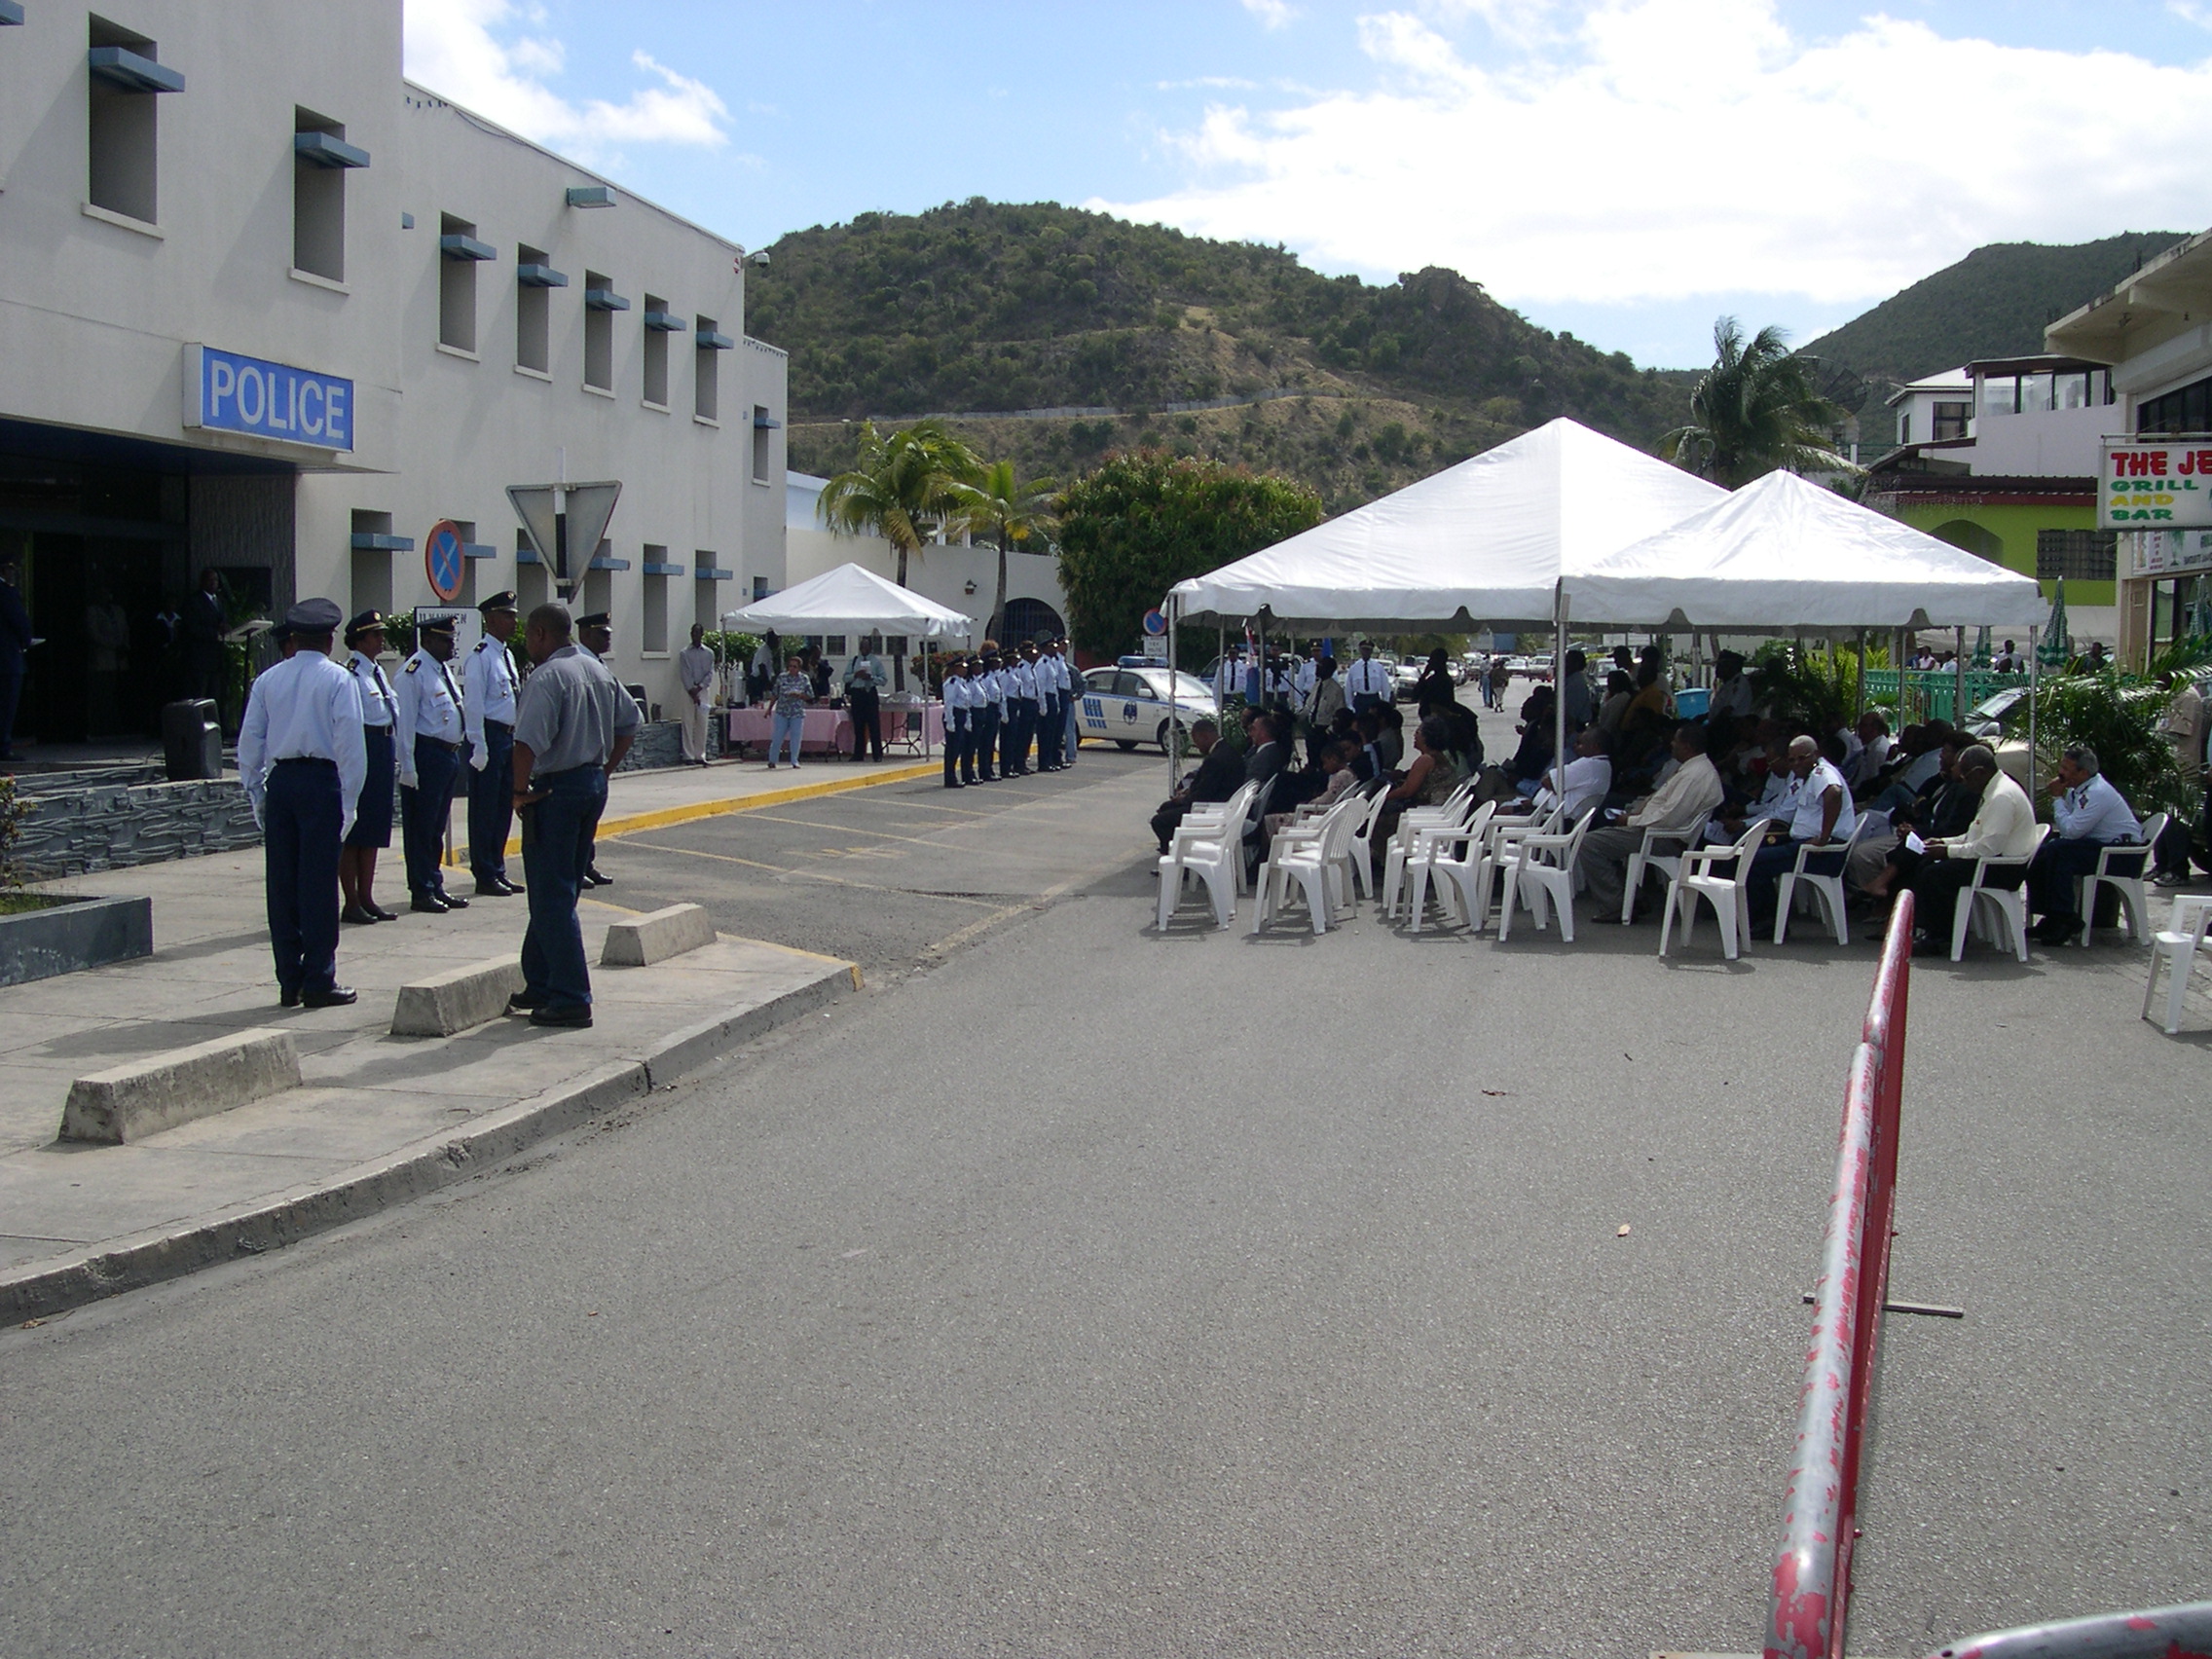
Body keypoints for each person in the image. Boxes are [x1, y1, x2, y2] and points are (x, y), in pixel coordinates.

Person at [506, 602, 640, 1029]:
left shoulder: (547, 677)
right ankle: (541, 981)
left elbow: (525, 744)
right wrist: (603, 771)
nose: (527, 644)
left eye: (528, 636)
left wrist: (517, 792)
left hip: (555, 790)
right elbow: (629, 724)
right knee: (558, 890)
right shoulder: (596, 669)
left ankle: (570, 997)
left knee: (551, 895)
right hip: (589, 786)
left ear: (542, 634)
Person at [236, 599, 366, 1009]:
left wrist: (256, 792)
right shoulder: (338, 680)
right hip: (321, 782)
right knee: (318, 884)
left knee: (283, 885)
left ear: (292, 639)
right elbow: (350, 745)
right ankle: (319, 980)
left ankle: (288, 980)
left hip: (283, 783)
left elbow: (250, 742)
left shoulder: (268, 680)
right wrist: (350, 801)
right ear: (330, 640)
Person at [1581, 721, 1726, 918]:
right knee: (1600, 837)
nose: (1672, 744)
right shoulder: (1693, 769)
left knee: (1589, 843)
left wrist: (1630, 821)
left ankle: (1615, 906)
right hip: (1655, 831)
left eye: (1676, 741)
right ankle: (1631, 897)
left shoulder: (1695, 775)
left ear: (1688, 747)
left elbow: (1668, 817)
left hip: (1663, 837)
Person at [1908, 746, 2037, 954]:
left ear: (1979, 772)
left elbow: (1988, 848)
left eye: (1965, 778)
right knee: (1926, 863)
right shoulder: (1992, 791)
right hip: (1992, 861)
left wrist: (1947, 852)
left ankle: (1941, 937)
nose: (1964, 784)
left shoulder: (2001, 797)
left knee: (1935, 875)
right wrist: (1944, 843)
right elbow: (1973, 836)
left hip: (2003, 868)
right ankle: (1931, 931)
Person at [2027, 744, 2141, 945]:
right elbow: (2070, 828)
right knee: (2040, 853)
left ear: (2083, 773)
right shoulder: (2076, 790)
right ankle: (2051, 916)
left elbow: (2071, 831)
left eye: (2066, 769)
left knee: (2059, 850)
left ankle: (2065, 917)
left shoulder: (2097, 792)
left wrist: (2056, 798)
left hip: (2121, 854)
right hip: (2099, 847)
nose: (2061, 773)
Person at [394, 613, 469, 914]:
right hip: (426, 756)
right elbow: (405, 724)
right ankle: (421, 890)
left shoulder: (440, 670)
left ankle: (435, 883)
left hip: (447, 755)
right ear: (427, 640)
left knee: (437, 827)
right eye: (445, 640)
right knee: (421, 829)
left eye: (452, 640)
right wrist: (408, 767)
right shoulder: (413, 673)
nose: (451, 645)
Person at [1747, 734, 1858, 930]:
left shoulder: (1822, 772)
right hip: (1805, 844)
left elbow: (1834, 793)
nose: (1796, 763)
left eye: (1802, 757)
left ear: (1815, 755)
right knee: (1754, 849)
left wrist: (1823, 838)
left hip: (1822, 852)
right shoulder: (1809, 777)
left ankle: (1767, 923)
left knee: (1755, 861)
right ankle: (1760, 919)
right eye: (1791, 760)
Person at [339, 609, 399, 926]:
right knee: (356, 830)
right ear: (360, 640)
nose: (381, 639)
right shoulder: (351, 674)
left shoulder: (377, 671)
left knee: (375, 827)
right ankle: (351, 900)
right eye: (375, 635)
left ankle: (367, 897)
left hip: (383, 746)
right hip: (364, 746)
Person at [462, 591, 524, 899]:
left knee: (503, 807)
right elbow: (473, 703)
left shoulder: (506, 654)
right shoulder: (481, 656)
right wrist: (478, 744)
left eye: (513, 615)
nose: (514, 621)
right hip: (489, 735)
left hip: (508, 737)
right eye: (507, 615)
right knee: (484, 809)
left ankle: (497, 868)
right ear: (490, 619)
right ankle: (484, 872)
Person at [1151, 719, 1244, 853]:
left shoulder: (1215, 759)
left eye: (1196, 741)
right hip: (1220, 802)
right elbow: (1206, 785)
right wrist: (1188, 792)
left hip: (1213, 808)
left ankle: (1174, 856)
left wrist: (1182, 799)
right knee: (1166, 807)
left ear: (1204, 736)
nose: (1196, 746)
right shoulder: (1228, 751)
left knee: (1159, 821)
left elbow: (1204, 794)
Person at [573, 611, 619, 887]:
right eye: (602, 633)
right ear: (585, 635)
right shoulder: (579, 664)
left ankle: (586, 863)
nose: (608, 638)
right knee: (578, 820)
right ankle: (577, 866)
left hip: (598, 752)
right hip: (583, 754)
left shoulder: (598, 664)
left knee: (590, 818)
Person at [2154, 672, 2206, 884]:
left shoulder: (2187, 697)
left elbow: (2179, 732)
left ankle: (2178, 869)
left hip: (2181, 767)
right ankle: (2161, 865)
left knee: (2176, 822)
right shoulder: (2172, 695)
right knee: (2162, 819)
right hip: (2165, 768)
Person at [0, 552, 29, 762]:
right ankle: (3, 747)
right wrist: (26, 641)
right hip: (7, 659)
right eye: (11, 569)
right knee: (6, 706)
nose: (14, 573)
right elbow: (19, 622)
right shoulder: (5, 592)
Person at [183, 568, 226, 714]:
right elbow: (192, 628)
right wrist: (214, 633)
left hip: (216, 657)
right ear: (203, 582)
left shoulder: (219, 601)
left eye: (216, 580)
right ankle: (197, 727)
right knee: (199, 694)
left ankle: (215, 726)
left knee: (215, 694)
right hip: (200, 657)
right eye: (210, 580)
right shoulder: (194, 601)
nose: (214, 583)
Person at [678, 622, 718, 766]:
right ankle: (688, 755)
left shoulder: (709, 653)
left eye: (697, 633)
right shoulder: (684, 653)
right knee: (688, 722)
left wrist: (700, 687)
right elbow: (684, 673)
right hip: (688, 691)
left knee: (702, 723)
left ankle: (700, 755)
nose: (695, 636)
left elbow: (709, 673)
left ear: (702, 635)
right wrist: (691, 690)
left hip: (703, 691)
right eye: (693, 633)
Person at [843, 637, 886, 762]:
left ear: (871, 648)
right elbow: (845, 678)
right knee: (858, 725)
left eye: (866, 647)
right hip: (857, 693)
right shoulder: (854, 661)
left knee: (874, 725)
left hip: (870, 693)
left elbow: (883, 679)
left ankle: (877, 754)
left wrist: (871, 677)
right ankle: (858, 754)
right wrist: (855, 675)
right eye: (862, 647)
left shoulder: (876, 662)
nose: (864, 649)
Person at [767, 651, 811, 769]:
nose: (792, 668)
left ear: (799, 668)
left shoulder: (804, 678)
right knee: (777, 737)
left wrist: (799, 695)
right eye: (790, 666)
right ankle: (772, 760)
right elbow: (775, 694)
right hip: (782, 711)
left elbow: (809, 695)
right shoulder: (782, 677)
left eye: (794, 666)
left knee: (796, 738)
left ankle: (794, 760)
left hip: (796, 712)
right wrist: (769, 709)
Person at [942, 654, 975, 789]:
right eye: (962, 668)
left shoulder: (962, 682)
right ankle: (950, 778)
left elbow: (966, 703)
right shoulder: (952, 683)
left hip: (961, 715)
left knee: (958, 748)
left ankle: (953, 776)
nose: (965, 670)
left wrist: (967, 719)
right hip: (954, 715)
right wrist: (950, 721)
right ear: (955, 669)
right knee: (952, 749)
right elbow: (949, 703)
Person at [1345, 641, 1391, 714]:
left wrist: (1385, 703)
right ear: (1360, 650)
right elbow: (1348, 688)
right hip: (1360, 699)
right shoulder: (1354, 668)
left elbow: (1385, 686)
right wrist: (1350, 705)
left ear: (1371, 651)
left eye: (1368, 650)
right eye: (1364, 649)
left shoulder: (1378, 667)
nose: (1366, 652)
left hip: (1374, 699)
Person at [1709, 651, 1752, 720]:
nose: (1717, 669)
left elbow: (1729, 709)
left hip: (1733, 726)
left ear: (1732, 666)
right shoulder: (1727, 684)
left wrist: (1712, 726)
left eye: (1721, 665)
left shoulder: (1739, 683)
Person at [1559, 648, 1592, 732]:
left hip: (1573, 729)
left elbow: (1570, 712)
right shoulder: (1569, 680)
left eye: (1567, 662)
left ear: (1576, 664)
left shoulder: (1576, 683)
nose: (1564, 665)